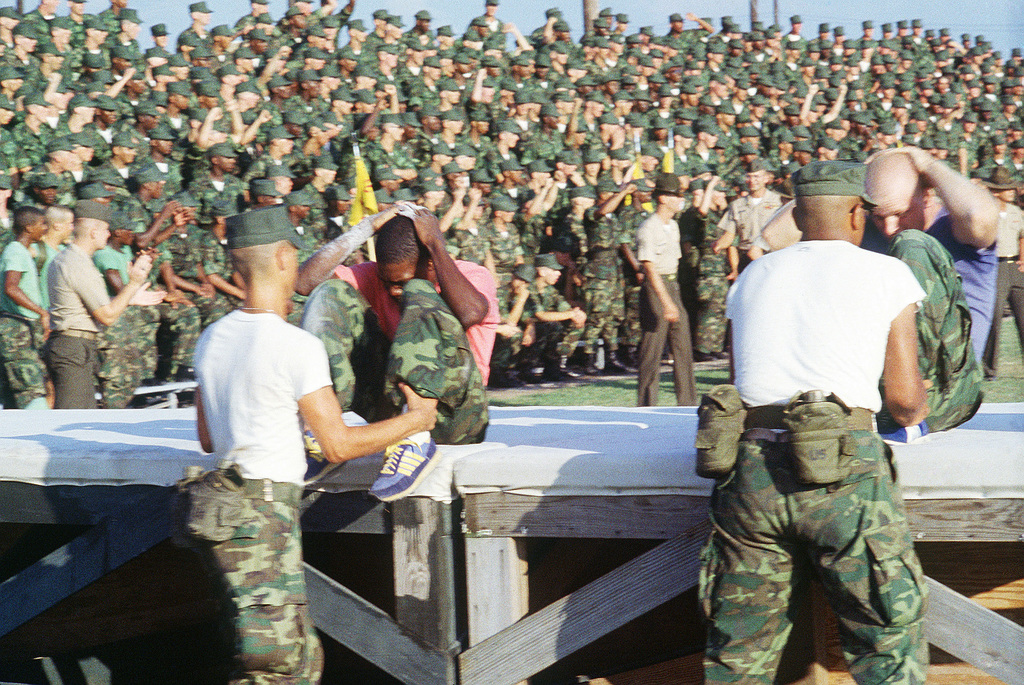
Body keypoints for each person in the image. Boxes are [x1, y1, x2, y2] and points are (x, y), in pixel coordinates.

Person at [700, 161, 930, 684]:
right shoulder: (886, 272)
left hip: (751, 469)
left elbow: (743, 383)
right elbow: (904, 400)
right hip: (844, 469)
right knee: (886, 637)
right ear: (856, 212)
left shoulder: (754, 275)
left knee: (738, 651)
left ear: (799, 215)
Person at [191, 203, 438, 684]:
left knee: (286, 655)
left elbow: (206, 438)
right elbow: (339, 445)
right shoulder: (294, 345)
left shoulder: (211, 337)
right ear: (284, 258)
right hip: (262, 513)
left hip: (220, 507)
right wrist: (415, 421)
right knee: (278, 665)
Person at [296, 204, 496, 445]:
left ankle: (416, 437)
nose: (392, 290)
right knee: (330, 291)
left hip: (453, 417)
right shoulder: (378, 277)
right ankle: (323, 423)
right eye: (386, 281)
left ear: (431, 264)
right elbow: (305, 283)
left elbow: (470, 313)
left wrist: (435, 244)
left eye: (400, 283)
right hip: (388, 411)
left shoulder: (473, 276)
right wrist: (366, 227)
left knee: (419, 291)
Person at [865, 150, 987, 434]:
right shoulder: (864, 228)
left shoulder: (955, 226)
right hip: (878, 387)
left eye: (900, 213)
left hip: (943, 391)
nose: (889, 227)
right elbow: (775, 236)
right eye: (879, 216)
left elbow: (980, 214)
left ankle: (908, 411)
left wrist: (928, 164)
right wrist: (858, 174)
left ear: (927, 198)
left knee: (911, 243)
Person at [44, 200, 164, 408]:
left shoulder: (71, 259)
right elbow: (107, 316)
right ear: (93, 231)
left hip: (74, 346)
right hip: (73, 347)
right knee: (75, 422)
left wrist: (130, 299)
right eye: (106, 230)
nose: (109, 235)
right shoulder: (78, 264)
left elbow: (84, 303)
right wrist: (133, 283)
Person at [635, 172, 696, 406]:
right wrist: (666, 302)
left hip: (672, 284)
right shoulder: (649, 227)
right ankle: (646, 405)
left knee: (682, 346)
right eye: (676, 195)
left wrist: (673, 298)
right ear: (663, 198)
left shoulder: (673, 226)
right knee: (653, 348)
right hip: (656, 286)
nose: (681, 199)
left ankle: (688, 404)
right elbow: (649, 268)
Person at [0, 206, 49, 408]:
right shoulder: (16, 251)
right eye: (42, 224)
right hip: (16, 330)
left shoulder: (22, 251)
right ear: (29, 228)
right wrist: (41, 312)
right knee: (32, 394)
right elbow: (11, 287)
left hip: (23, 328)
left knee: (18, 396)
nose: (45, 228)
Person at [980, 167, 1024, 378]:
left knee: (1023, 318)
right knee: (995, 318)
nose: (1012, 191)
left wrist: (1023, 259)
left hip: (1015, 267)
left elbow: (1022, 236)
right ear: (996, 191)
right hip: (994, 267)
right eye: (1007, 189)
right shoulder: (986, 212)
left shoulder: (1017, 212)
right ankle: (990, 370)